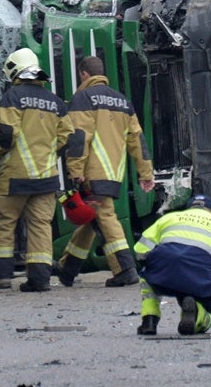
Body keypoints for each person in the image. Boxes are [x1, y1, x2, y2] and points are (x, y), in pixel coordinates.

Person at [55, 54, 155, 288]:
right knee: (93, 217)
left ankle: (125, 269)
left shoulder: (83, 98)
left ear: (83, 74)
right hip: (113, 172)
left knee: (105, 217)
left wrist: (75, 169)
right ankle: (66, 267)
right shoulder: (122, 101)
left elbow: (79, 137)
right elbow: (138, 140)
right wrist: (146, 173)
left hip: (92, 171)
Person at [0, 47, 79, 292]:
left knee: (5, 223)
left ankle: (2, 277)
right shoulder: (55, 102)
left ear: (14, 71)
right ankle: (39, 279)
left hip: (15, 175)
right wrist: (48, 152)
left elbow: (6, 133)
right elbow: (67, 136)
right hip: (47, 176)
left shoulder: (12, 97)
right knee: (40, 225)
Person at [132, 193, 211, 336]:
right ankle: (198, 315)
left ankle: (149, 319)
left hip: (164, 273)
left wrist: (153, 268)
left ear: (188, 209)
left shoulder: (169, 218)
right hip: (199, 279)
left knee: (147, 274)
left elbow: (140, 250)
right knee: (207, 309)